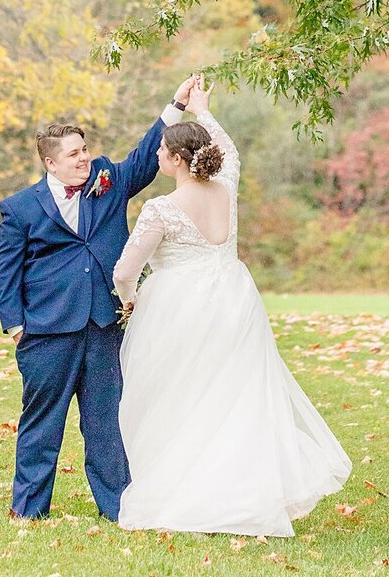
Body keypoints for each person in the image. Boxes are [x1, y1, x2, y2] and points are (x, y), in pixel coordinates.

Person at [113, 76, 352, 536]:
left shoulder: (160, 209)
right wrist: (202, 108)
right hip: (234, 300)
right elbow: (231, 152)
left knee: (179, 397)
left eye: (162, 151)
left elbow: (126, 270)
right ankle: (240, 494)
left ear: (177, 160)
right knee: (234, 393)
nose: (157, 156)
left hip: (178, 307)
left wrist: (130, 301)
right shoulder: (226, 185)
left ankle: (188, 494)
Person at [0, 75, 196, 521]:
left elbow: (144, 156)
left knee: (106, 423)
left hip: (104, 325)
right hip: (46, 330)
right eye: (73, 154)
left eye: (84, 150)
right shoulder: (20, 208)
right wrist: (16, 325)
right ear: (51, 163)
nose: (83, 158)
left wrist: (176, 104)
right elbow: (6, 270)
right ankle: (28, 510)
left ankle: (118, 508)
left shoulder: (108, 181)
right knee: (42, 423)